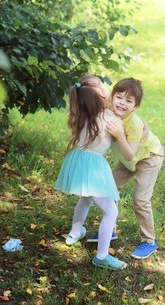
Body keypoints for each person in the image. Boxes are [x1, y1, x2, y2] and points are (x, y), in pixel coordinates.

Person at [54, 73, 131, 270]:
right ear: (99, 94)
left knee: (86, 198)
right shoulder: (111, 118)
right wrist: (121, 133)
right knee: (110, 210)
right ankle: (102, 256)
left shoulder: (81, 114)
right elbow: (122, 147)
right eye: (101, 84)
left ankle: (75, 232)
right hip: (92, 166)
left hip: (78, 161)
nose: (106, 86)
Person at [105, 77, 164, 260]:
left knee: (140, 200)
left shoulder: (135, 123)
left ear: (135, 107)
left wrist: (119, 135)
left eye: (129, 101)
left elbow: (130, 153)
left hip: (148, 157)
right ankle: (110, 229)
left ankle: (149, 241)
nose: (122, 103)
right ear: (112, 97)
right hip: (130, 159)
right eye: (119, 97)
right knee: (109, 189)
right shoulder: (108, 109)